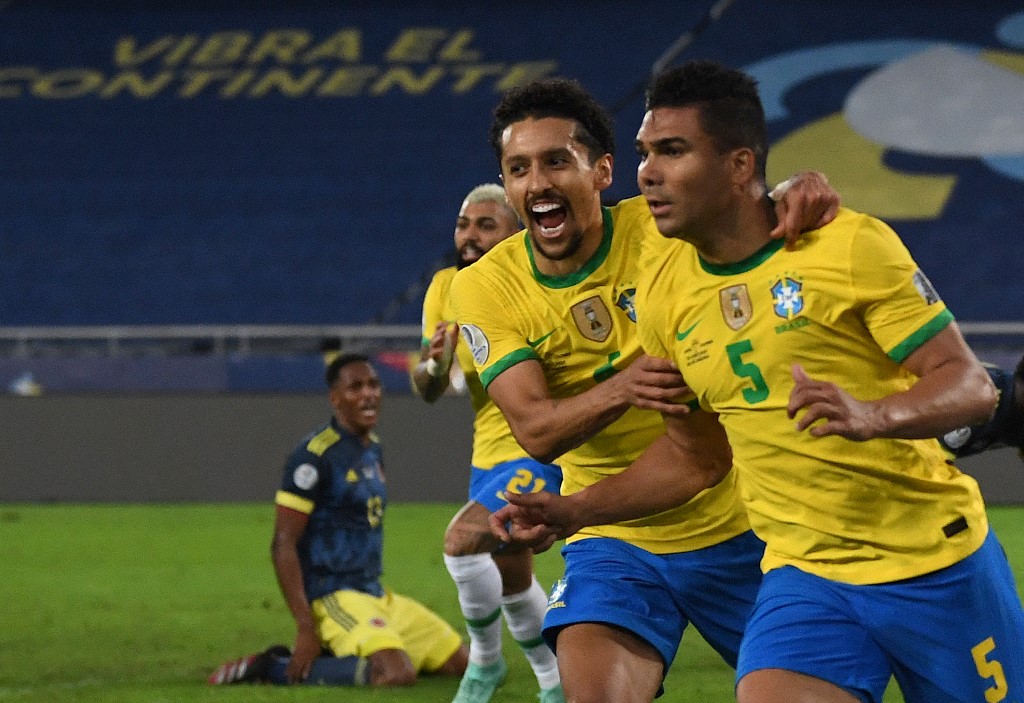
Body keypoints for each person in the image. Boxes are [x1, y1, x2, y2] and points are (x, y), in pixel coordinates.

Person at [518, 59, 1022, 703]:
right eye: (645, 152)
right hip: (804, 577)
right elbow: (693, 457)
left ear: (738, 165)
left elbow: (971, 386)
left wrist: (874, 415)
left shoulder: (849, 246)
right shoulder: (667, 294)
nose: (648, 171)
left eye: (673, 151)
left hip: (934, 565)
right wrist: (572, 511)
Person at [449, 76, 839, 703]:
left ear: (602, 171)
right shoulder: (485, 287)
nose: (537, 183)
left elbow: (750, 215)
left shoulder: (662, 229)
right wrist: (623, 388)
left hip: (743, 522)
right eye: (517, 168)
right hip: (614, 533)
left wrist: (793, 190)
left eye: (557, 161)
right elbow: (537, 432)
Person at [209, 353, 469, 687]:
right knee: (395, 674)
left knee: (463, 663)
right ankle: (272, 666)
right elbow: (282, 543)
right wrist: (306, 626)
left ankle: (342, 657)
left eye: (374, 384)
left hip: (375, 594)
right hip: (333, 595)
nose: (368, 393)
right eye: (355, 387)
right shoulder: (314, 457)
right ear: (335, 398)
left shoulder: (372, 449)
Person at [411, 183, 564, 703]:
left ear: (517, 231)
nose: (469, 235)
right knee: (513, 575)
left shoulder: (539, 282)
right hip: (489, 455)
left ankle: (484, 662)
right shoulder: (445, 288)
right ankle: (555, 683)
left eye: (485, 225)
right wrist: (434, 362)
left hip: (542, 448)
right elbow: (429, 388)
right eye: (463, 224)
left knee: (461, 543)